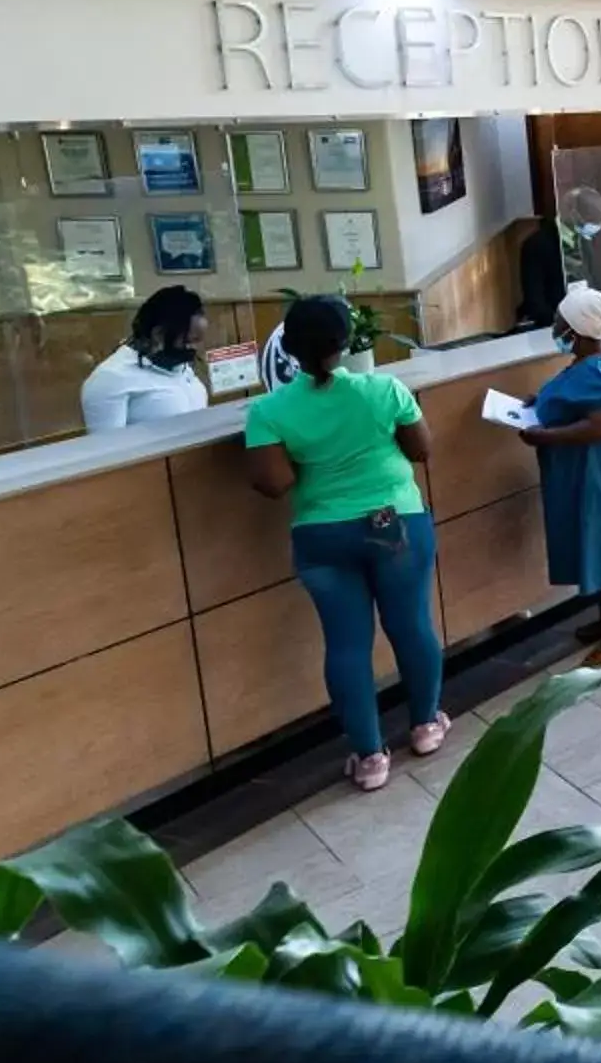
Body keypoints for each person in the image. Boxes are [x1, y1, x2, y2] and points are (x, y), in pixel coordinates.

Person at [242, 295, 445, 793]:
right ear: (345, 342)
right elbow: (421, 449)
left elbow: (273, 483)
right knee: (410, 624)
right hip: (393, 521)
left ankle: (370, 757)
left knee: (347, 644)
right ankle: (424, 727)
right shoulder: (384, 390)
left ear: (289, 347)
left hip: (322, 534)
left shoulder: (268, 410)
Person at [521, 283, 601, 665]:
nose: (556, 327)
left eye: (561, 322)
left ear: (576, 330)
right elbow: (575, 398)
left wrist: (545, 435)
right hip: (600, 469)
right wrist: (539, 405)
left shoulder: (598, 367)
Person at [78, 287, 210, 429]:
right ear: (158, 334)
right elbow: (108, 447)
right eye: (188, 342)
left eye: (198, 341)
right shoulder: (110, 378)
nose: (194, 349)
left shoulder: (180, 366)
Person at [516, 185, 601, 329]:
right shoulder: (537, 245)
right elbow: (535, 302)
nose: (592, 230)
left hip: (592, 323)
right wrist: (565, 325)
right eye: (589, 222)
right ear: (573, 215)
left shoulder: (584, 239)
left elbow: (595, 281)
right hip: (556, 327)